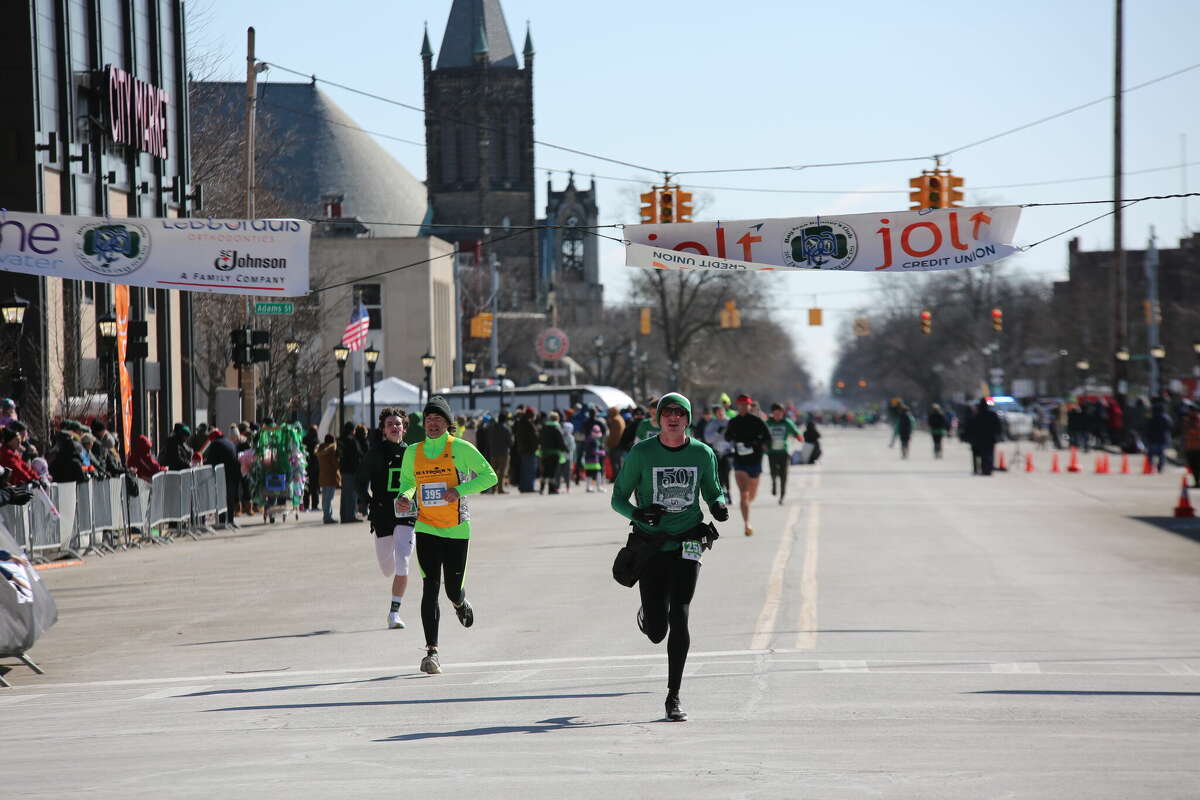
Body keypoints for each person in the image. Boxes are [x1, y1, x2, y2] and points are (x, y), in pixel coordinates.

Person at [610, 392, 728, 722]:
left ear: (688, 419)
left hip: (688, 542)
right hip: (650, 544)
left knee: (681, 613)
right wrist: (637, 514)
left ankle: (673, 695)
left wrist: (718, 505)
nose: (673, 417)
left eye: (680, 412)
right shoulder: (642, 453)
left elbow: (713, 489)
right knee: (657, 630)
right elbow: (617, 498)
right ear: (658, 419)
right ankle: (648, 615)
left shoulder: (702, 453)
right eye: (667, 412)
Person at [394, 396, 498, 675]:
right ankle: (432, 652)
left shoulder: (460, 448)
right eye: (428, 419)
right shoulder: (412, 452)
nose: (433, 424)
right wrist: (405, 497)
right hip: (426, 526)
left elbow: (490, 476)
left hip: (456, 529)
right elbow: (408, 483)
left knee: (451, 589)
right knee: (430, 587)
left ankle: (459, 602)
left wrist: (458, 491)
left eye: (438, 419)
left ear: (447, 423)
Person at [357, 409, 418, 630]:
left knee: (403, 560)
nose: (394, 427)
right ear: (383, 429)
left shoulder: (412, 453)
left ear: (404, 428)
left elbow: (420, 480)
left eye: (398, 424)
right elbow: (360, 480)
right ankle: (393, 568)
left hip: (406, 512)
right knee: (387, 568)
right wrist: (366, 501)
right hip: (382, 513)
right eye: (390, 424)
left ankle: (394, 613)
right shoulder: (374, 453)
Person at [724, 394, 770, 536]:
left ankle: (747, 506)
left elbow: (768, 438)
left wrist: (755, 442)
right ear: (737, 406)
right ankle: (747, 524)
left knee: (752, 495)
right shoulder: (733, 421)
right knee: (744, 494)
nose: (743, 407)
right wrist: (732, 438)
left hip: (755, 461)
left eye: (746, 405)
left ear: (750, 406)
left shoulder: (757, 421)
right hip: (740, 462)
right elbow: (727, 436)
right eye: (740, 405)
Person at [204, 427, 241, 529]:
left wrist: (204, 465)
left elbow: (211, 460)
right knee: (230, 499)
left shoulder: (216, 444)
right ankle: (230, 520)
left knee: (221, 499)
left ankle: (221, 521)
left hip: (224, 475)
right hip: (234, 474)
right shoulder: (228, 442)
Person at [764, 403, 802, 504]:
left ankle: (782, 495)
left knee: (783, 474)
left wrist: (799, 437)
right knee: (773, 472)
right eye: (775, 413)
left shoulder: (786, 422)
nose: (777, 416)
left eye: (779, 413)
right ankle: (774, 484)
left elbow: (795, 432)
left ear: (782, 413)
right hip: (772, 452)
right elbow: (761, 433)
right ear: (772, 413)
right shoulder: (768, 423)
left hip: (784, 452)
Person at [702, 404, 733, 497]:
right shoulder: (712, 424)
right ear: (715, 414)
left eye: (722, 412)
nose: (720, 414)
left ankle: (729, 492)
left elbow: (735, 436)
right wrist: (717, 433)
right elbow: (708, 439)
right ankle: (722, 490)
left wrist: (732, 446)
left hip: (728, 451)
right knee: (719, 472)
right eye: (718, 412)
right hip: (717, 452)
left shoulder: (730, 422)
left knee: (727, 472)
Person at [966, 398, 1002, 475]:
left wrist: (969, 437)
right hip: (990, 438)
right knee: (989, 454)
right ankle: (988, 469)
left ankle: (980, 469)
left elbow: (970, 427)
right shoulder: (992, 415)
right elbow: (998, 426)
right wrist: (998, 435)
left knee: (980, 454)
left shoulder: (976, 415)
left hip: (978, 438)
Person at [338, 421, 364, 523]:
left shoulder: (340, 440)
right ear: (352, 430)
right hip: (352, 470)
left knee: (345, 494)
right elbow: (356, 456)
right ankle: (350, 516)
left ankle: (344, 515)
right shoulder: (351, 440)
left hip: (343, 470)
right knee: (352, 494)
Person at [538, 411, 569, 494]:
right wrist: (566, 449)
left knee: (545, 472)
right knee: (552, 472)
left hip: (544, 452)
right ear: (557, 419)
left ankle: (541, 488)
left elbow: (540, 439)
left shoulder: (544, 427)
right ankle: (551, 490)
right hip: (554, 453)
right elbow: (560, 440)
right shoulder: (557, 427)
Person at [512, 408, 539, 493]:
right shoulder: (528, 423)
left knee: (524, 470)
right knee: (530, 470)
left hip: (522, 450)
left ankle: (523, 487)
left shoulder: (520, 422)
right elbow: (534, 437)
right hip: (529, 450)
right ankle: (529, 487)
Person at [485, 412, 512, 494]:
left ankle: (493, 489)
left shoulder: (492, 428)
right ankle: (500, 489)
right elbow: (510, 442)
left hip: (493, 452)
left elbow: (489, 439)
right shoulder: (507, 428)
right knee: (502, 471)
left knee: (493, 471)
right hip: (503, 452)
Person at [316, 434, 340, 524]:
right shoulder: (331, 450)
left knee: (325, 498)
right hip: (331, 476)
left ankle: (326, 515)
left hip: (322, 476)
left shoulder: (320, 449)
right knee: (329, 498)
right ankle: (327, 517)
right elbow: (335, 464)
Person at [582, 422, 607, 492]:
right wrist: (601, 452)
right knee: (598, 473)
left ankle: (588, 487)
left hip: (587, 460)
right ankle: (599, 487)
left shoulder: (588, 439)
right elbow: (594, 451)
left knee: (588, 474)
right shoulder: (594, 441)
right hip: (594, 460)